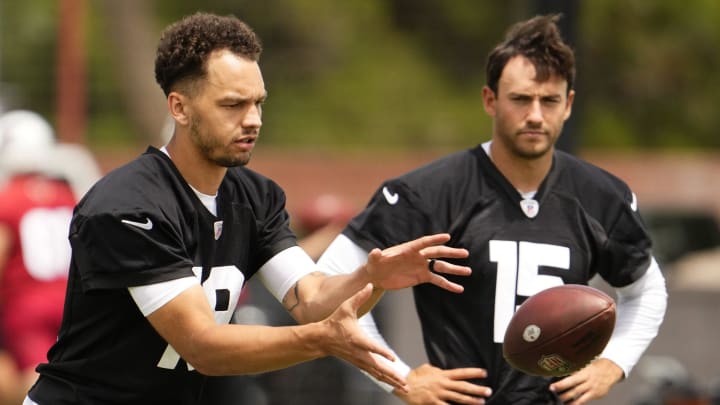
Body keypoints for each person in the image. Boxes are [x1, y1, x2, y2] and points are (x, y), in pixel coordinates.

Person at [23, 12, 473, 405]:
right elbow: (203, 346)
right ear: (179, 107)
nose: (254, 119)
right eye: (233, 105)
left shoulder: (255, 197)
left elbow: (312, 301)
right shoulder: (127, 206)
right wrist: (321, 341)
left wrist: (369, 279)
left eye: (258, 102)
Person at [317, 14, 668, 405]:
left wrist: (613, 363)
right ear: (490, 99)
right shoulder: (431, 191)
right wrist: (400, 378)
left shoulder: (600, 195)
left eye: (549, 100)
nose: (535, 114)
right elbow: (329, 280)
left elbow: (646, 290)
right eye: (520, 99)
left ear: (568, 105)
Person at [0, 110, 94, 405]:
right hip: (69, 301)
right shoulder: (68, 195)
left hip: (26, 305)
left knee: (35, 382)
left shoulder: (8, 198)